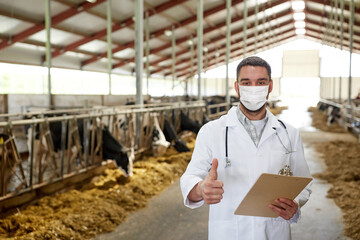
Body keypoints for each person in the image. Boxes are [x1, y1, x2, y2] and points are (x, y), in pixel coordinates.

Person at [180, 56, 312, 240]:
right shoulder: (211, 131)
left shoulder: (289, 133)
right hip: (228, 233)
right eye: (246, 82)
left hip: (274, 232)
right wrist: (201, 188)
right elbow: (189, 177)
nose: (253, 88)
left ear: (270, 86)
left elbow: (303, 182)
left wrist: (295, 204)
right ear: (237, 87)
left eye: (260, 82)